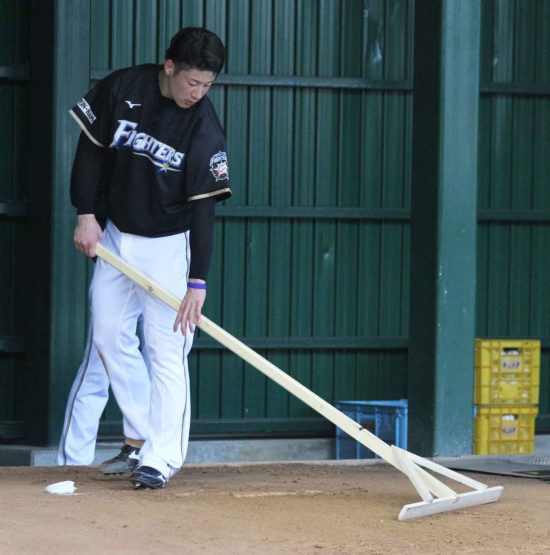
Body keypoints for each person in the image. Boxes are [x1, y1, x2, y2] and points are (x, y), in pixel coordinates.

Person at [68, 27, 231, 489]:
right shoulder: (122, 88)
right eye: (191, 83)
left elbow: (204, 208)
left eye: (207, 86)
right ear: (169, 67)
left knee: (166, 350)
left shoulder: (204, 126)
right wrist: (86, 213)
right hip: (117, 235)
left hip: (169, 245)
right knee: (106, 331)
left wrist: (197, 281)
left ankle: (162, 457)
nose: (197, 93)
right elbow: (90, 151)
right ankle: (140, 435)